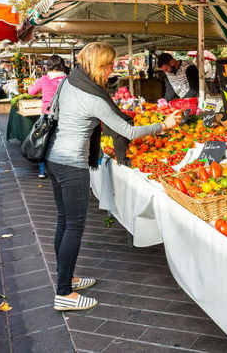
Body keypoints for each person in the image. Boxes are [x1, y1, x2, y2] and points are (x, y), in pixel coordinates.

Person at [46, 42, 181, 311]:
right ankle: (64, 293)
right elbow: (127, 132)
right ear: (99, 65)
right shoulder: (93, 96)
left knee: (64, 222)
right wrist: (163, 125)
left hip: (54, 157)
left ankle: (66, 278)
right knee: (73, 226)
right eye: (109, 65)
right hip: (72, 163)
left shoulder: (71, 82)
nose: (111, 70)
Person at [28, 55, 67, 179]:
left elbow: (31, 92)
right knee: (61, 141)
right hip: (64, 114)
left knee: (42, 141)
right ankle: (62, 168)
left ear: (48, 66)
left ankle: (42, 171)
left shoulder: (44, 79)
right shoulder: (67, 79)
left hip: (46, 114)